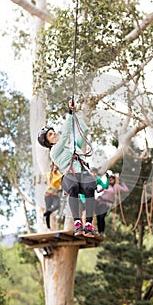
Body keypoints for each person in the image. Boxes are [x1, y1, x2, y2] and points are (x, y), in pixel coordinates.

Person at [38, 99, 96, 237]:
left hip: (82, 173)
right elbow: (64, 135)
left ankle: (88, 224)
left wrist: (75, 114)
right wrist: (69, 112)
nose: (54, 134)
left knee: (89, 187)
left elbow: (84, 130)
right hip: (70, 177)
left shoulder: (71, 146)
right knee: (73, 187)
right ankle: (77, 223)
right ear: (49, 143)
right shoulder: (54, 152)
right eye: (50, 135)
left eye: (53, 132)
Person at [44, 164, 62, 229]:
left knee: (57, 205)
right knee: (47, 208)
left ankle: (48, 212)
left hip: (55, 194)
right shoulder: (49, 174)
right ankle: (48, 226)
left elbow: (61, 183)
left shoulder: (59, 175)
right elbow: (52, 182)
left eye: (56, 168)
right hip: (48, 194)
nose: (55, 169)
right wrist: (61, 176)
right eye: (54, 167)